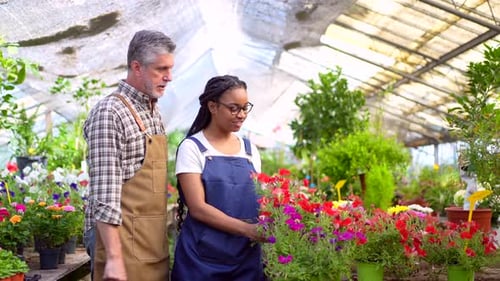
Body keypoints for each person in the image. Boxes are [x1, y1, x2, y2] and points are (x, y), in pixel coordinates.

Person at [83, 30, 176, 281]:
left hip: (149, 243)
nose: (169, 77)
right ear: (137, 67)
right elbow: (105, 194)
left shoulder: (151, 111)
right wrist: (114, 259)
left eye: (170, 68)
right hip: (120, 245)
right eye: (161, 69)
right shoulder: (110, 112)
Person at [171, 75, 265, 281]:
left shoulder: (249, 150)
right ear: (212, 106)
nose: (241, 115)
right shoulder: (193, 148)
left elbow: (258, 200)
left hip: (246, 258)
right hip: (201, 260)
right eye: (233, 108)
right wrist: (249, 230)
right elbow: (198, 208)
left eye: (245, 107)